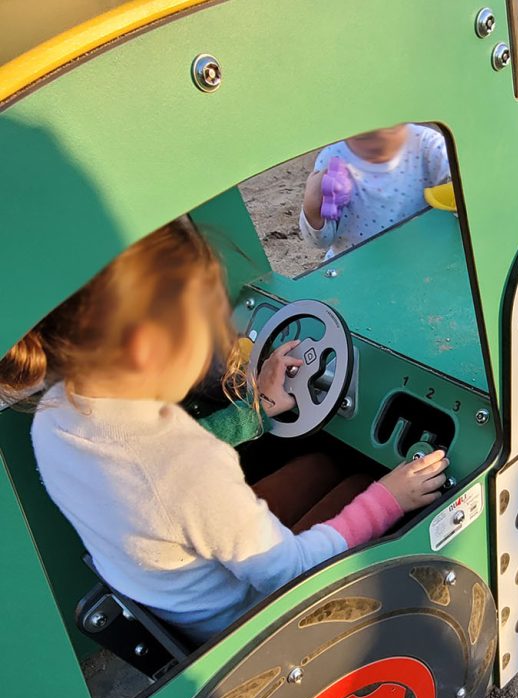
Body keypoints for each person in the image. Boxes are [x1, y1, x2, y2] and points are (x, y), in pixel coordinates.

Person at [0, 220, 448, 643]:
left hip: (170, 597)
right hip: (244, 620)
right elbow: (290, 571)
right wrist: (390, 499)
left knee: (320, 463)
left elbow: (159, 478)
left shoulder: (54, 415)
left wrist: (261, 408)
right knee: (361, 485)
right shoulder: (187, 465)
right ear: (148, 347)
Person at [300, 123, 451, 260]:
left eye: (387, 127)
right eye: (363, 136)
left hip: (421, 264)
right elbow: (320, 241)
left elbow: (467, 206)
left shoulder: (429, 146)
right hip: (354, 270)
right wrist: (312, 208)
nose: (375, 139)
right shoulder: (332, 160)